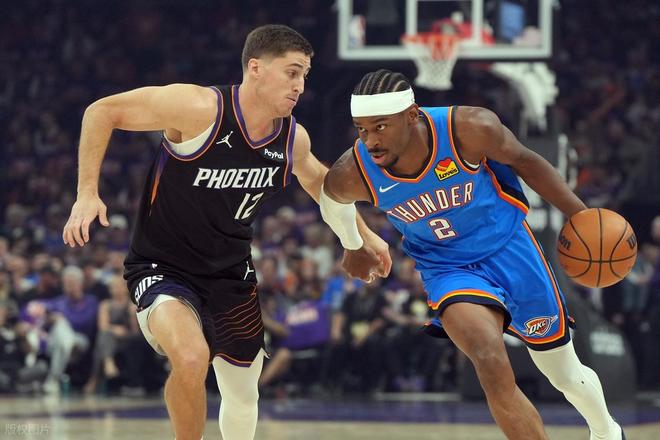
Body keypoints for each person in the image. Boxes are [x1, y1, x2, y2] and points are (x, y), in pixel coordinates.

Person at [62, 25, 390, 440]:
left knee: (243, 392)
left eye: (305, 75)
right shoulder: (198, 108)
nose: (300, 86)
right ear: (256, 68)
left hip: (231, 274)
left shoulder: (292, 139)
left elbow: (325, 189)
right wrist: (86, 193)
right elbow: (101, 111)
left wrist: (363, 237)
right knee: (191, 357)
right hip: (163, 266)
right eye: (292, 72)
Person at [319, 69, 625, 440]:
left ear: (412, 115)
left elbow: (526, 161)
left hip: (509, 247)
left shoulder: (469, 128)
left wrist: (582, 215)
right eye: (361, 129)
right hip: (447, 267)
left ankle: (607, 432)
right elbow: (331, 202)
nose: (370, 141)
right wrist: (353, 244)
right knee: (488, 357)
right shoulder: (353, 172)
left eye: (380, 126)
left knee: (563, 373)